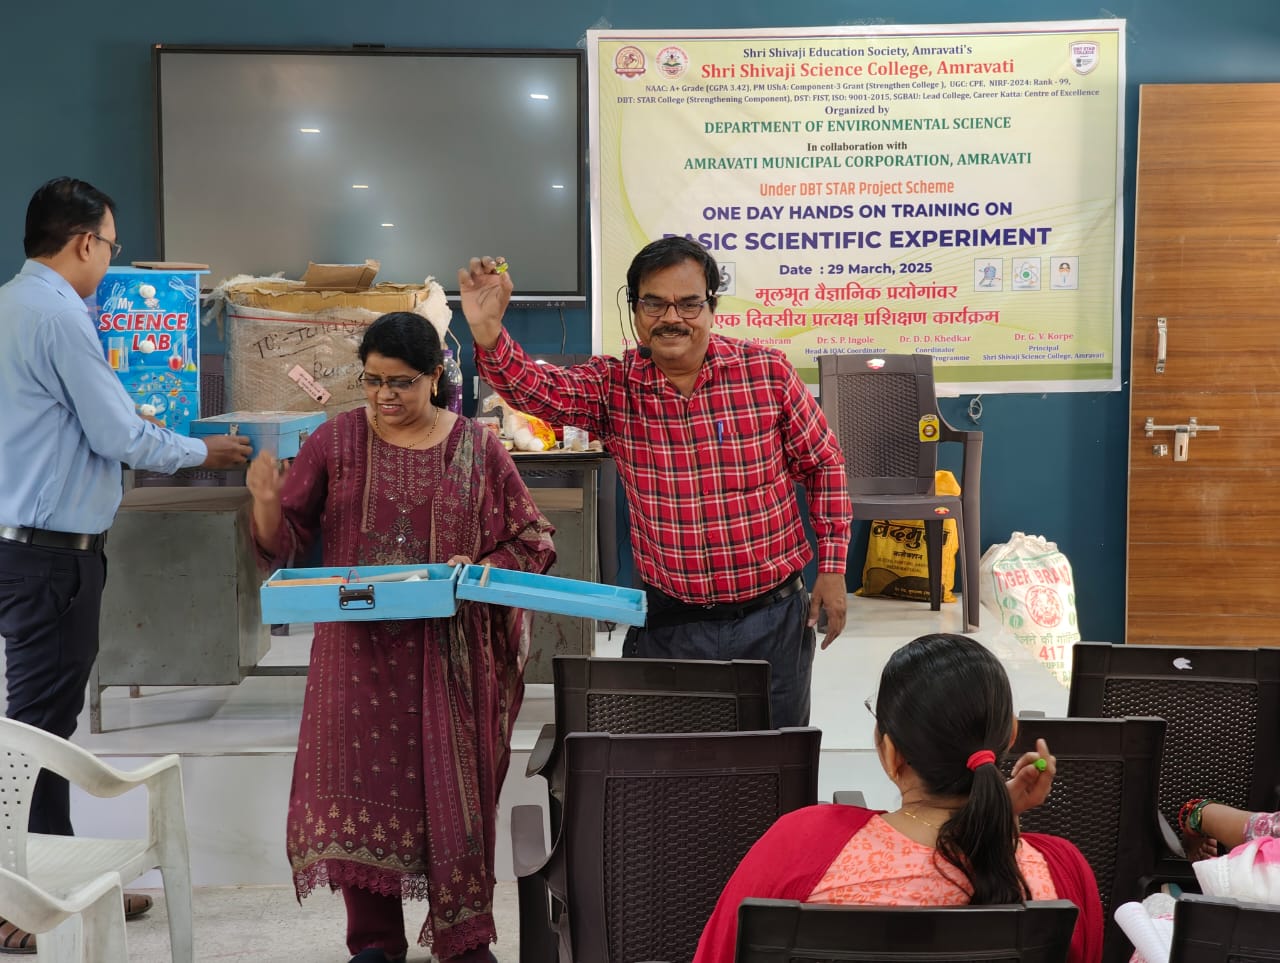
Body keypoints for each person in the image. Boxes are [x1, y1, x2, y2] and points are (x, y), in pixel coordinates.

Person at [246, 311, 555, 963]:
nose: (384, 396)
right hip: (355, 657)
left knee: (455, 797)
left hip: (450, 658)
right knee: (361, 788)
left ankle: (464, 936)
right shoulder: (335, 441)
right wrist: (268, 505)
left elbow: (532, 540)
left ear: (436, 376)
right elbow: (287, 542)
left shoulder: (478, 446)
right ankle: (374, 942)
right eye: (373, 380)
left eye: (401, 382)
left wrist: (482, 571)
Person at [0, 176, 251, 954]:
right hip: (49, 556)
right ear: (81, 242)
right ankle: (21, 899)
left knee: (42, 722)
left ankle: (53, 877)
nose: (109, 262)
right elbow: (120, 435)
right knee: (37, 726)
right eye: (109, 247)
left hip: (21, 543)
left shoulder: (11, 305)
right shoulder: (61, 318)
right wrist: (202, 450)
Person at [458, 238, 852, 728]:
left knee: (774, 765)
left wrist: (833, 568)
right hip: (672, 627)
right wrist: (488, 331)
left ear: (711, 306)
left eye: (689, 302)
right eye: (654, 302)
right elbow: (536, 391)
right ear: (635, 309)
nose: (673, 317)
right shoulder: (615, 387)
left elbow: (824, 465)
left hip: (771, 619)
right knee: (673, 779)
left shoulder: (765, 374)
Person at [692, 633, 1104, 963]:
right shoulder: (1061, 873)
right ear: (1010, 736)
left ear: (891, 752)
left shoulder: (803, 846)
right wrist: (1004, 819)